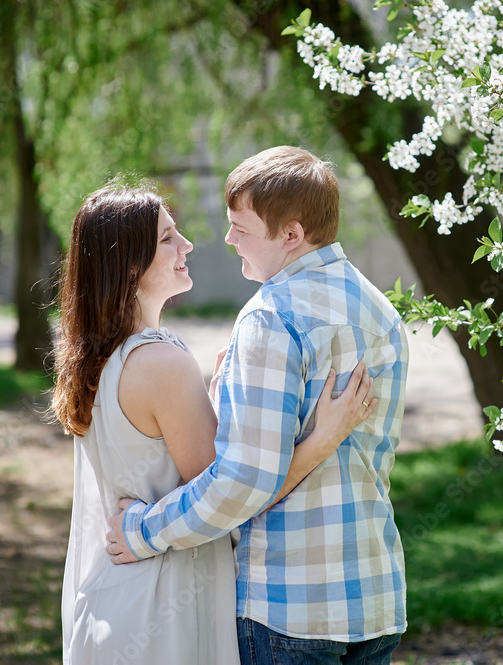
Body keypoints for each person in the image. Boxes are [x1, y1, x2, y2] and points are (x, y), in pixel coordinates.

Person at [106, 146, 409, 664]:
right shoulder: (380, 309)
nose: (226, 240)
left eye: (241, 229)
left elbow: (244, 481)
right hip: (375, 599)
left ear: (291, 235)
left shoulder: (271, 316)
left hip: (290, 610)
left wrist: (142, 533)